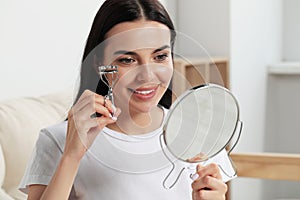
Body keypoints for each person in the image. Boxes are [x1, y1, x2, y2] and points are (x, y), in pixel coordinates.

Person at [19, 0, 234, 199]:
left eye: (160, 57)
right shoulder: (58, 140)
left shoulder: (199, 133)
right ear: (98, 64)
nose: (147, 76)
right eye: (128, 60)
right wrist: (72, 156)